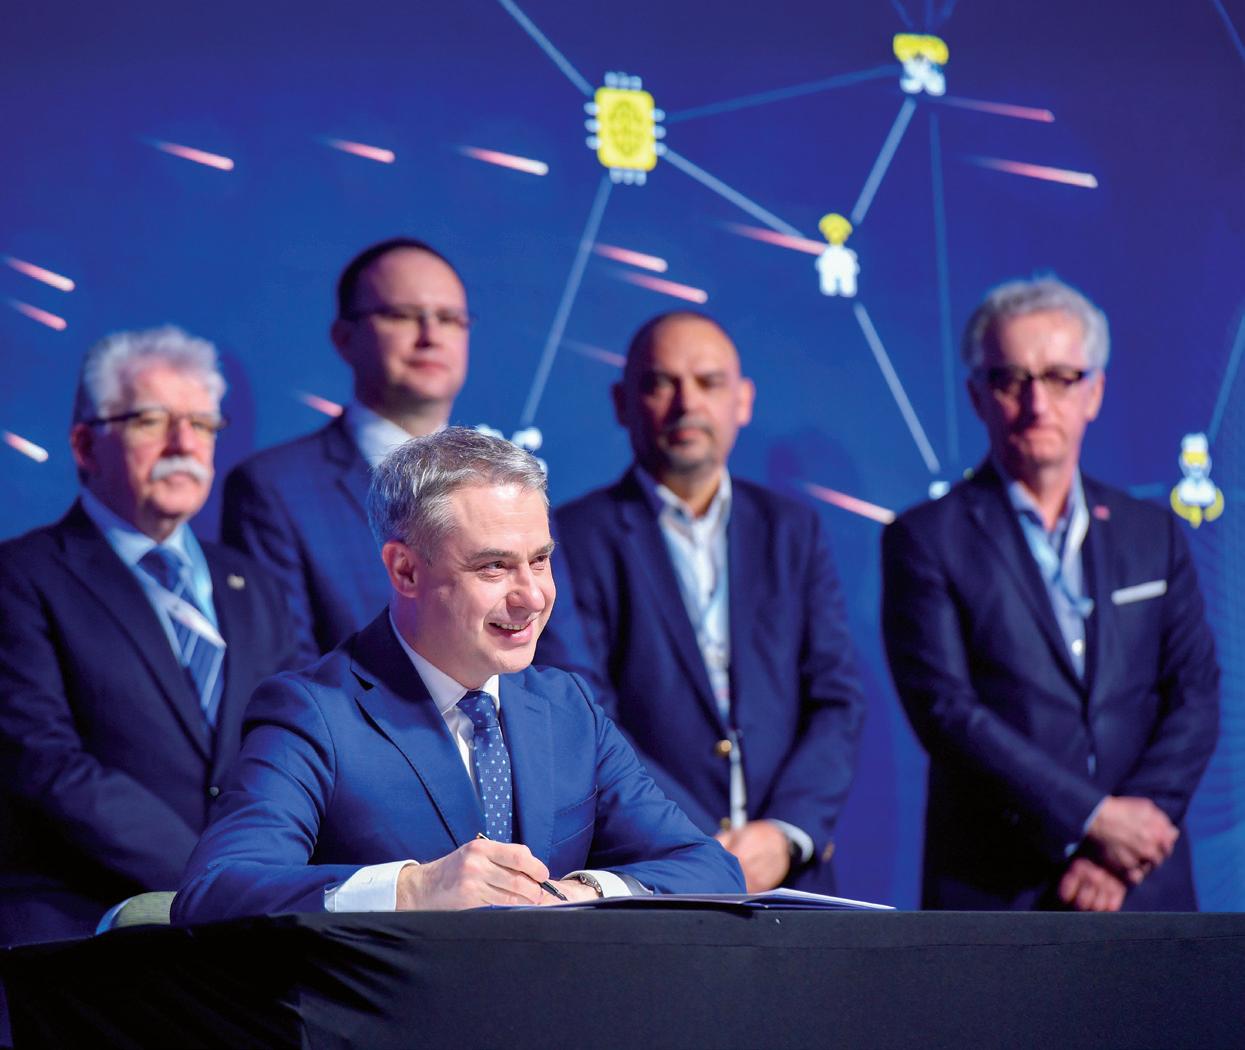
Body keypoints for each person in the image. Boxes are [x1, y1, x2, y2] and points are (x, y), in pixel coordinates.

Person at [173, 428, 743, 923]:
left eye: (540, 560)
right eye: (494, 566)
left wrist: (584, 892)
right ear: (405, 570)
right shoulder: (315, 713)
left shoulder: (567, 707)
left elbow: (708, 868)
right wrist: (412, 890)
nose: (532, 596)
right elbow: (214, 891)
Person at [881, 275, 1219, 911]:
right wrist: (1095, 820)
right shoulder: (924, 539)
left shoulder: (1153, 532)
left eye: (1062, 378)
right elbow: (947, 713)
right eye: (1012, 380)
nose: (1038, 404)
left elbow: (1195, 694)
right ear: (977, 396)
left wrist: (1127, 841)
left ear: (1095, 392)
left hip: (1144, 883)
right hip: (997, 892)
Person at [540, 312, 866, 894]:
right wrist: (695, 844)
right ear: (622, 403)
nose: (686, 402)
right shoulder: (571, 536)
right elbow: (587, 711)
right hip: (654, 873)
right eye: (660, 383)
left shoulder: (793, 529)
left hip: (793, 872)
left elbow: (836, 698)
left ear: (743, 401)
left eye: (709, 382)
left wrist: (783, 833)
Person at [0, 326, 295, 945]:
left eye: (202, 423)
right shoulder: (21, 578)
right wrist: (217, 880)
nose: (183, 443)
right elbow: (45, 764)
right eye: (150, 421)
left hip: (250, 928)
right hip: (85, 927)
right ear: (86, 445)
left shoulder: (253, 583)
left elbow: (289, 745)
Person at [220, 238, 593, 681]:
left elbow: (569, 676)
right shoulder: (275, 489)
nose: (430, 336)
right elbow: (293, 679)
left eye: (449, 319)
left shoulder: (512, 484)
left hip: (506, 727)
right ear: (345, 338)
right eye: (402, 315)